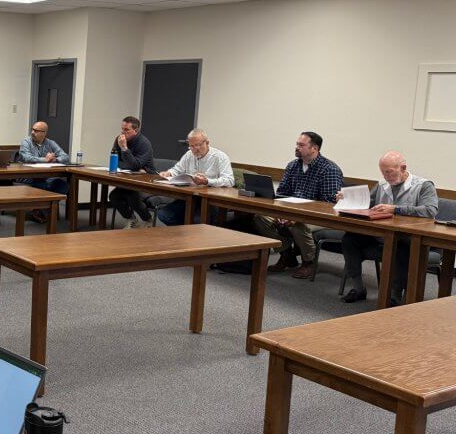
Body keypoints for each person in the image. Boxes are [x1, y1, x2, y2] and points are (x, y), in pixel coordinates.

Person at [340, 152, 438, 305]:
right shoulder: (382, 184)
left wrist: (396, 209)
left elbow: (430, 211)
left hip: (408, 240)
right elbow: (366, 204)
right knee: (349, 239)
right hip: (381, 235)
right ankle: (358, 287)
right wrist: (347, 198)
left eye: (389, 172)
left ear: (403, 168)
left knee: (399, 247)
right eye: (382, 172)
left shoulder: (423, 186)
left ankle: (394, 294)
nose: (385, 177)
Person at [253, 131, 344, 280]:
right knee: (261, 217)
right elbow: (281, 193)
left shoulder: (329, 169)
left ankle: (308, 262)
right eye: (297, 144)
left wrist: (297, 217)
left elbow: (328, 204)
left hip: (321, 218)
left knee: (298, 224)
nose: (297, 147)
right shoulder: (293, 166)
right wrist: (279, 213)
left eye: (301, 145)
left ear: (314, 148)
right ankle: (286, 253)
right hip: (291, 212)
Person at [156, 129, 235, 226]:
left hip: (210, 200)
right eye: (191, 146)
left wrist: (207, 181)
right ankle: (185, 234)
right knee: (164, 215)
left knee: (198, 223)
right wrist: (169, 173)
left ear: (207, 142)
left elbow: (230, 181)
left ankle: (190, 234)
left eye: (198, 145)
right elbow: (177, 169)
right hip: (190, 197)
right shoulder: (189, 154)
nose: (194, 149)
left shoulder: (220, 157)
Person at [108, 116, 157, 228]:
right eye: (122, 129)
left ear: (135, 130)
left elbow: (136, 164)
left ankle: (147, 219)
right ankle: (131, 219)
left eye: (126, 130)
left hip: (147, 179)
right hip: (129, 177)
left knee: (132, 197)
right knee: (114, 196)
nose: (123, 132)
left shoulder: (144, 143)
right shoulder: (119, 139)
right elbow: (115, 161)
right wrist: (131, 166)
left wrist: (125, 148)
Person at [16, 121, 70, 223]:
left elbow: (65, 156)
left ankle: (41, 208)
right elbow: (27, 158)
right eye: (32, 129)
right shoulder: (26, 142)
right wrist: (45, 159)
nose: (32, 132)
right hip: (26, 176)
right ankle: (40, 210)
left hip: (46, 176)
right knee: (41, 183)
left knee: (63, 185)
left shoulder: (50, 143)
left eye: (36, 131)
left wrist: (55, 160)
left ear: (44, 133)